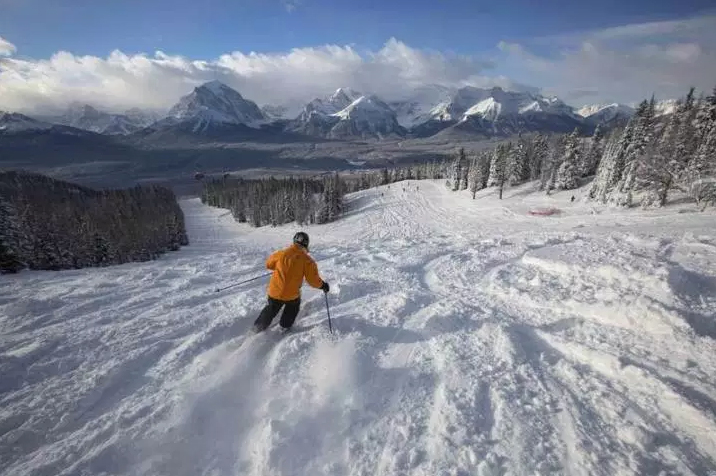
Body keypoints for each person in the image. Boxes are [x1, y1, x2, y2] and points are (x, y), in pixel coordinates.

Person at [253, 232, 329, 333]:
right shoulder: (307, 261)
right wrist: (323, 285)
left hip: (275, 291)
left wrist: (280, 267)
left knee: (271, 308)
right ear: (306, 244)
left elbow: (269, 264)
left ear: (294, 241)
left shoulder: (281, 253)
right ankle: (284, 326)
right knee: (293, 306)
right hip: (291, 294)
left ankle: (257, 328)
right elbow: (313, 280)